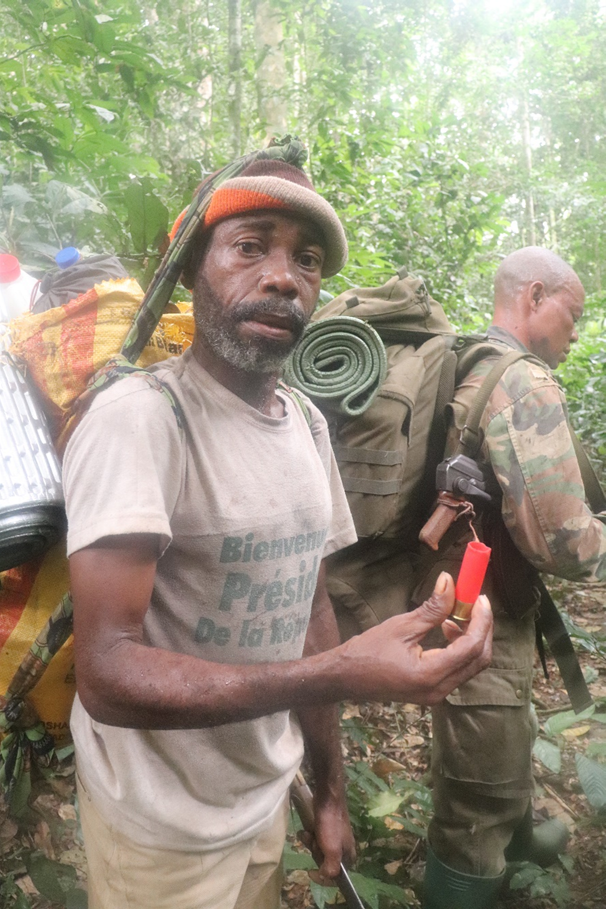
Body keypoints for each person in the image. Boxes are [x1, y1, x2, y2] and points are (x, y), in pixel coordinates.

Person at [63, 157, 493, 909]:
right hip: (159, 832)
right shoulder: (142, 420)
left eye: (308, 259)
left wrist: (329, 791)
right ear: (192, 266)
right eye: (250, 246)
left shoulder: (306, 423)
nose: (284, 278)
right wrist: (345, 673)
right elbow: (105, 673)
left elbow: (311, 610)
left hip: (265, 801)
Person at [414, 246, 606, 909]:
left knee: (503, 742)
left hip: (468, 600)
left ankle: (515, 843)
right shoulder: (522, 383)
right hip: (477, 619)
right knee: (478, 798)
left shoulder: (471, 360)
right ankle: (473, 874)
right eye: (572, 314)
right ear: (534, 296)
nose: (576, 331)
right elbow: (566, 545)